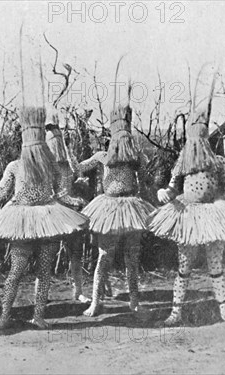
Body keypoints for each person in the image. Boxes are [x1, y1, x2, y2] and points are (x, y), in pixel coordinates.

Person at [150, 76, 225, 325]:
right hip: (189, 215)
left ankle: (224, 310)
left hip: (215, 214)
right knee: (184, 266)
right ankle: (176, 312)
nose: (195, 144)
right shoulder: (182, 164)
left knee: (216, 266)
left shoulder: (218, 162)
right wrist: (165, 193)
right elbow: (171, 188)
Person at [0, 106, 89, 329]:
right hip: (35, 221)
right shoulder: (41, 166)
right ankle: (11, 316)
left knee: (31, 271)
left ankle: (21, 317)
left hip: (43, 220)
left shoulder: (32, 166)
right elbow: (62, 195)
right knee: (27, 271)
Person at [79, 97, 155, 317]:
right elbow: (79, 167)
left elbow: (147, 178)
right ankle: (95, 301)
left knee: (132, 258)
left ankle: (134, 302)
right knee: (104, 256)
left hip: (131, 208)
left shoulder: (136, 157)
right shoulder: (103, 156)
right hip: (109, 208)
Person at [43, 108, 90, 303]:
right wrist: (75, 201)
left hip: (70, 213)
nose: (56, 140)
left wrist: (80, 183)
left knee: (76, 253)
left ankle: (78, 291)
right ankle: (43, 293)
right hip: (54, 212)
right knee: (48, 254)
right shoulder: (46, 165)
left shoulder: (68, 164)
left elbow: (77, 171)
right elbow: (55, 193)